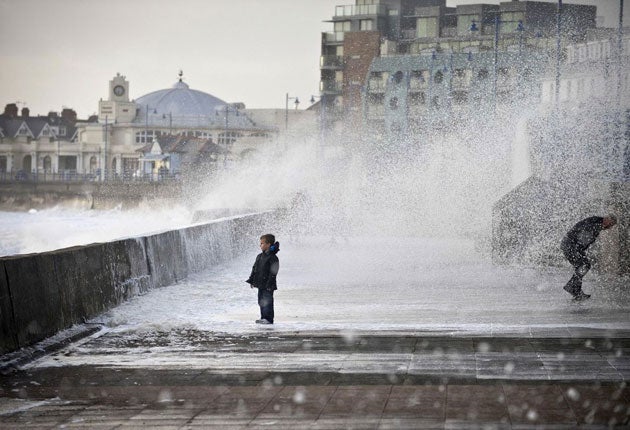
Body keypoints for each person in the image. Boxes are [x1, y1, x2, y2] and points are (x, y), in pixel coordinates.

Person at [560, 215, 617, 300]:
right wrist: (579, 249)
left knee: (581, 267)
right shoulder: (596, 224)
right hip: (570, 246)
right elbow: (583, 235)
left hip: (570, 246)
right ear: (607, 220)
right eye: (611, 224)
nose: (609, 228)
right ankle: (572, 287)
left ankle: (576, 291)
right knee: (584, 265)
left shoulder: (596, 223)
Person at [246, 234, 280, 324]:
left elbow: (274, 272)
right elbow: (254, 268)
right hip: (260, 283)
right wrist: (251, 280)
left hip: (268, 284)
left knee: (268, 301)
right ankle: (263, 317)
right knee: (261, 301)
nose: (260, 245)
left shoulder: (273, 257)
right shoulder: (259, 256)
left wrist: (269, 284)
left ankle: (268, 319)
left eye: (262, 243)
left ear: (268, 244)